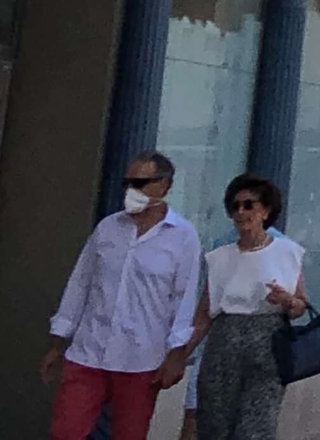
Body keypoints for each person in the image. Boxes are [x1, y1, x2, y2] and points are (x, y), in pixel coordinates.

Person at [42, 152, 200, 440]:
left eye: (140, 183)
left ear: (164, 185)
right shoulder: (108, 228)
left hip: (140, 357)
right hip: (89, 351)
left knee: (129, 433)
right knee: (65, 431)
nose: (131, 190)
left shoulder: (183, 237)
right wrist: (58, 339)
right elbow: (80, 283)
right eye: (127, 183)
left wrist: (177, 354)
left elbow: (184, 298)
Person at [184, 175, 304, 440]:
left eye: (249, 205)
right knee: (215, 426)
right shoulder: (218, 258)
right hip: (224, 345)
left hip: (267, 346)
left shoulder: (288, 253)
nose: (241, 212)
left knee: (255, 428)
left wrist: (287, 301)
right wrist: (179, 355)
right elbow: (203, 315)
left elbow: (299, 306)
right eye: (235, 207)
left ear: (265, 210)